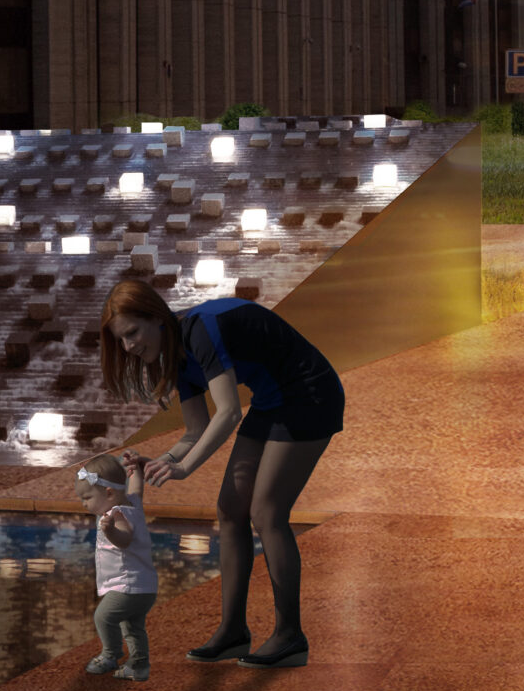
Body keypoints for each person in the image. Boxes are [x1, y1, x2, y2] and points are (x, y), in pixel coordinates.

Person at [101, 280, 344, 669]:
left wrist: (184, 467)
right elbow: (195, 431)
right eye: (121, 340)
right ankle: (232, 631)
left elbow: (229, 411)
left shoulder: (200, 329)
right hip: (271, 401)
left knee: (266, 513)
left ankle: (290, 636)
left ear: (157, 318)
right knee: (230, 508)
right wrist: (160, 460)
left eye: (133, 332)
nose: (129, 346)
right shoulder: (177, 353)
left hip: (310, 394)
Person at [74, 452, 156, 681]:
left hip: (127, 585)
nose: (84, 503)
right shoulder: (133, 503)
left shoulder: (116, 513)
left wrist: (110, 531)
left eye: (87, 497)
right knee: (132, 627)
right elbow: (137, 488)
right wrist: (136, 470)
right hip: (145, 586)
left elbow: (125, 538)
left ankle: (110, 655)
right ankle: (139, 666)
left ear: (108, 493)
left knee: (103, 617)